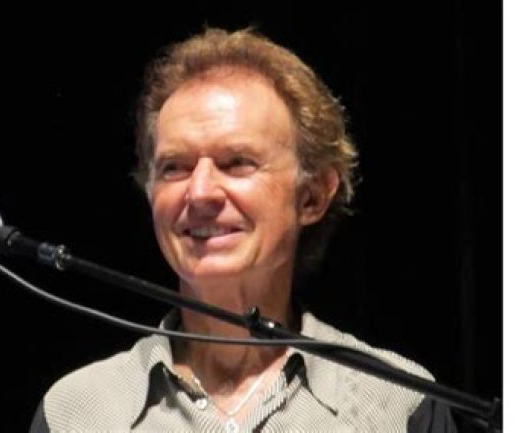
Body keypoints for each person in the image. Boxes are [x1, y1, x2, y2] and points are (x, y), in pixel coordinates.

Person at [29, 27, 456, 432]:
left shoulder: (397, 402)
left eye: (237, 163)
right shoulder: (76, 412)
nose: (200, 192)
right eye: (174, 167)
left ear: (312, 197)